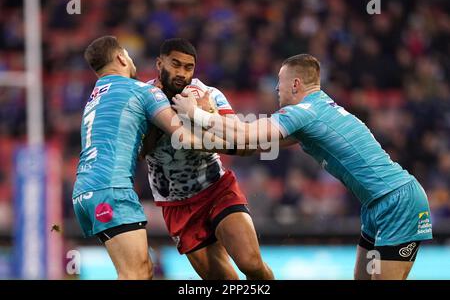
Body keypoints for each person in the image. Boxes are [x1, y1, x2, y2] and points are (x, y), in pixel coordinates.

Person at [172, 53, 433, 280]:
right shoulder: (314, 113)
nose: (277, 89)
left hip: (397, 202)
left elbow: (246, 133)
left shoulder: (304, 111)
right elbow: (250, 146)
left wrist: (195, 114)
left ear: (295, 84)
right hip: (375, 205)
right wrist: (194, 140)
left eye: (280, 83)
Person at [142, 38, 273, 280]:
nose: (182, 73)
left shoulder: (209, 95)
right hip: (177, 205)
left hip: (217, 188)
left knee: (251, 264)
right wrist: (164, 122)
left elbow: (244, 144)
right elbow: (139, 152)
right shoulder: (142, 100)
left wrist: (202, 115)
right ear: (159, 63)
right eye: (175, 65)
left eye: (188, 67)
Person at [72, 36, 198, 279]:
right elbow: (183, 137)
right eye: (128, 55)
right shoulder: (141, 90)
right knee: (135, 273)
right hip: (111, 189)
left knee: (143, 270)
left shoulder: (96, 97)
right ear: (121, 57)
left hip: (85, 192)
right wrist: (198, 114)